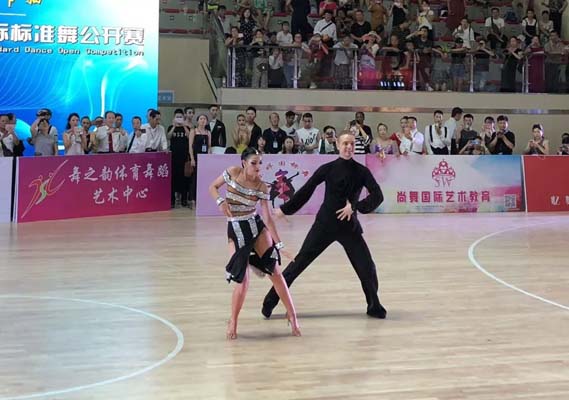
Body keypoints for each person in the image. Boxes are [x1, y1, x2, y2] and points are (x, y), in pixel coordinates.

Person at [262, 131, 387, 320]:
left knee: (367, 268)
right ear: (337, 145)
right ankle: (269, 302)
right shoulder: (327, 169)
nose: (349, 147)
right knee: (299, 263)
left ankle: (374, 306)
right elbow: (307, 190)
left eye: (352, 144)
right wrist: (285, 209)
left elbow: (378, 195)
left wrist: (355, 206)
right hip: (324, 226)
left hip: (349, 228)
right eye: (345, 143)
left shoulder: (362, 171)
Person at [209, 148, 301, 340]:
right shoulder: (232, 172)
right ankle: (233, 320)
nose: (258, 167)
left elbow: (267, 218)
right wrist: (220, 201)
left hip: (255, 226)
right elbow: (213, 187)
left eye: (260, 163)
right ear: (244, 162)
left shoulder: (261, 186)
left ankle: (292, 315)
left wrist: (280, 245)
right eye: (253, 163)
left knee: (275, 271)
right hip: (236, 228)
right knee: (243, 280)